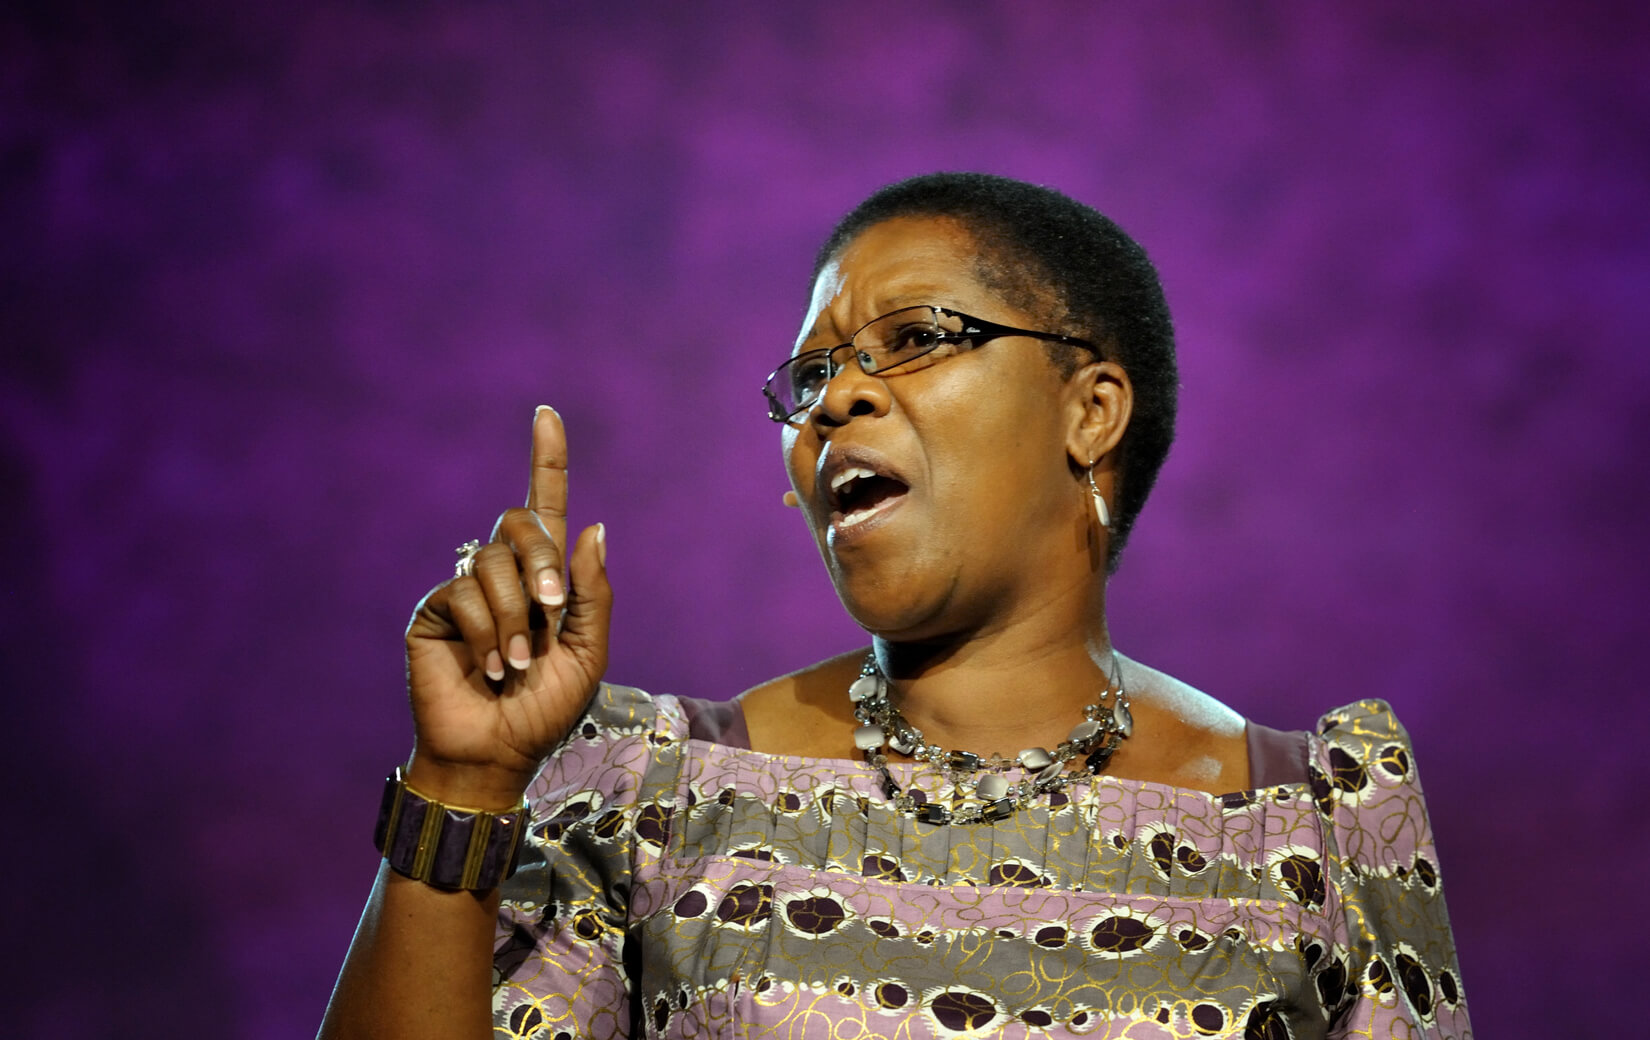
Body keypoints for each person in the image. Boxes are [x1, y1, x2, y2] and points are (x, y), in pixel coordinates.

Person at [319, 173, 1470, 1039]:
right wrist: (463, 781)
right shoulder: (655, 793)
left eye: (915, 339)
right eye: (812, 376)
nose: (837, 400)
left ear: (1092, 411)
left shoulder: (1318, 824)